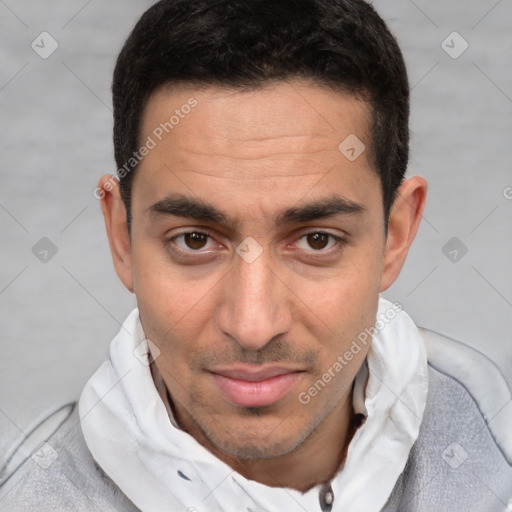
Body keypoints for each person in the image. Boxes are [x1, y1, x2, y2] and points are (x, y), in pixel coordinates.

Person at [1, 0, 511, 510]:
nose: (253, 326)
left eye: (316, 240)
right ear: (121, 235)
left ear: (395, 235)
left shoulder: (495, 452)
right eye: (195, 240)